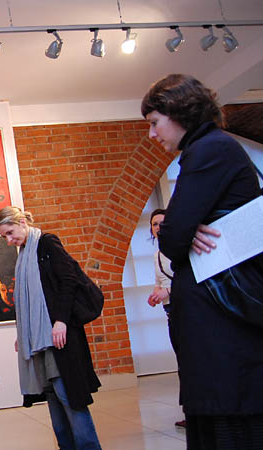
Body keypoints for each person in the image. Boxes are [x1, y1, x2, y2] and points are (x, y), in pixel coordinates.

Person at [142, 73, 263, 449]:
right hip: (218, 314)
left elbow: (172, 237)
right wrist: (184, 228)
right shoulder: (213, 147)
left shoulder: (208, 149)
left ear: (180, 112)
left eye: (154, 122)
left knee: (229, 421)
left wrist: (183, 229)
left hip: (222, 319)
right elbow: (177, 231)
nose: (152, 134)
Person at [0, 206, 102, 450]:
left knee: (69, 397)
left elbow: (68, 282)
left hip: (59, 336)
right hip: (41, 338)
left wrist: (61, 321)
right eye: (4, 237)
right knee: (53, 398)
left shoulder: (47, 244)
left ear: (22, 222)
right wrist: (23, 333)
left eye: (10, 233)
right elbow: (30, 300)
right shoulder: (25, 254)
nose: (9, 241)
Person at [146, 208, 186, 429]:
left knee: (191, 361)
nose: (158, 227)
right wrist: (155, 295)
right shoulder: (157, 256)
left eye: (162, 223)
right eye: (154, 224)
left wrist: (167, 292)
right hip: (171, 313)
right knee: (182, 362)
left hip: (186, 310)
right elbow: (159, 282)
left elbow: (186, 279)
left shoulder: (180, 248)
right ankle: (190, 410)